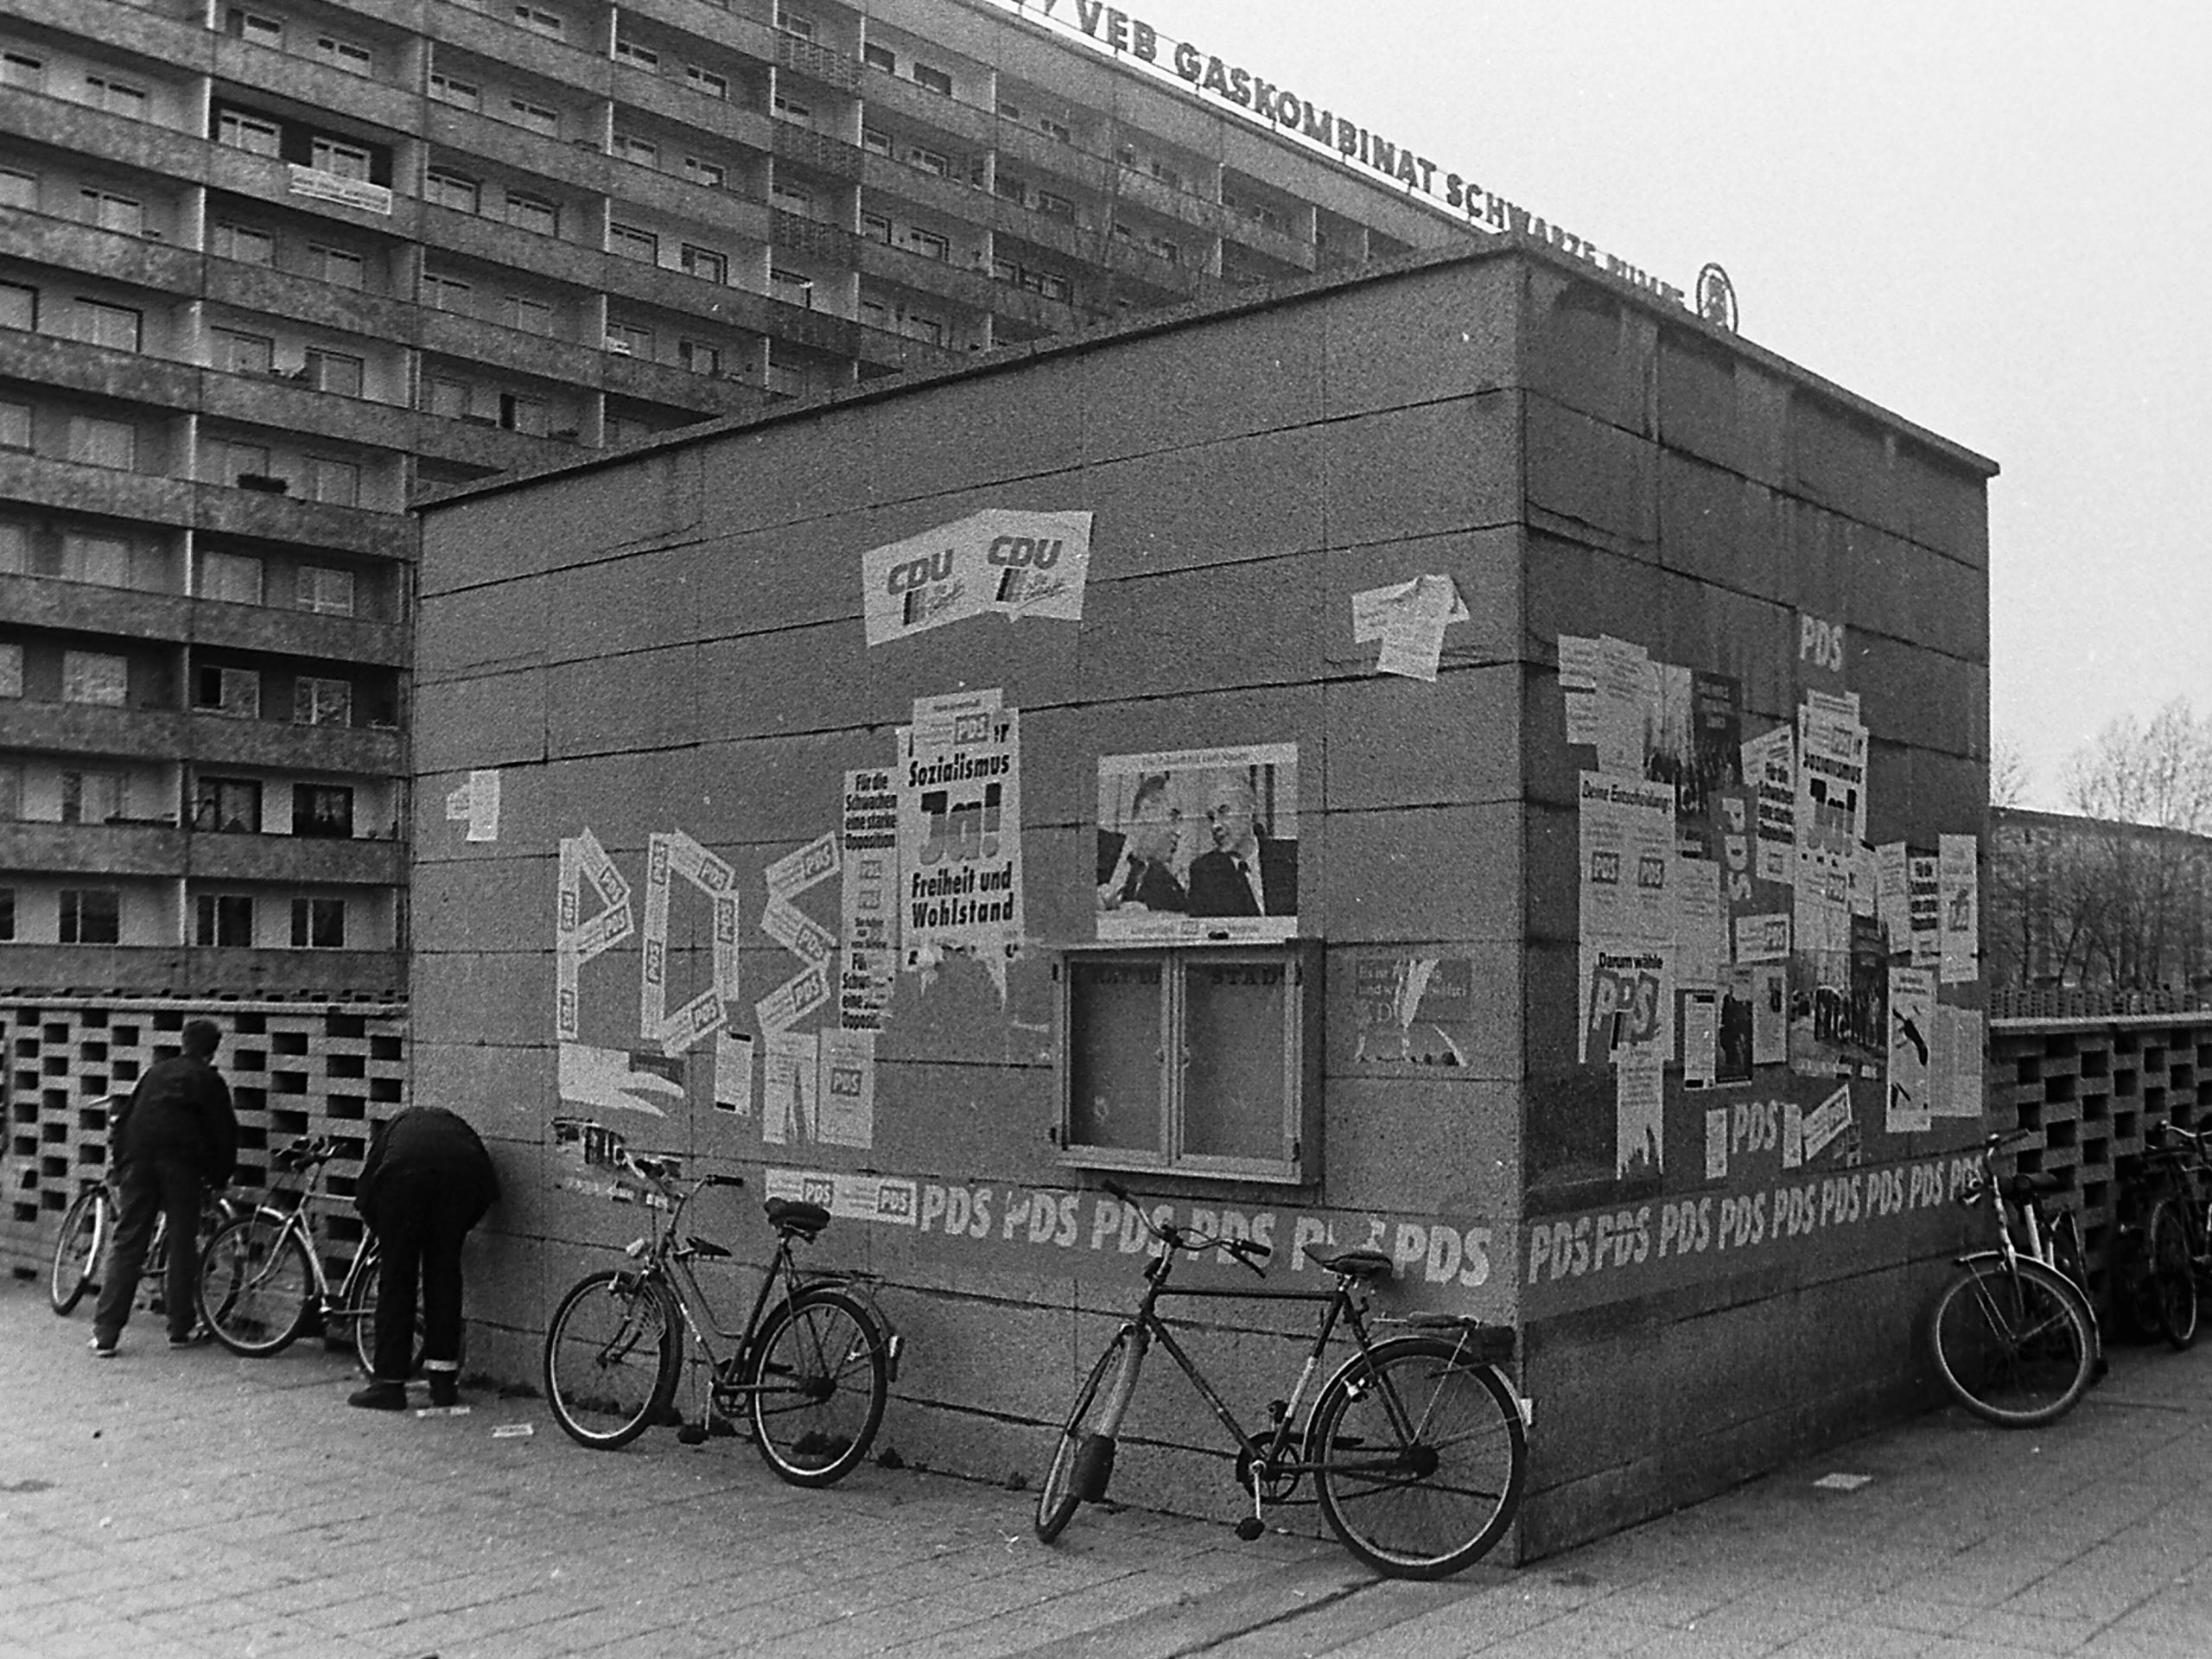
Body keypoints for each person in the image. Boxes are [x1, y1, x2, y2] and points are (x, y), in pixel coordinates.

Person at [92, 1019, 237, 1357]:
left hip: (138, 1158)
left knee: (129, 1239)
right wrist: (219, 1178)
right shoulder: (210, 1081)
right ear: (212, 1050)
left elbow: (129, 1116)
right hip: (181, 1164)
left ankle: (106, 1333)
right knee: (182, 1242)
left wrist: (121, 1162)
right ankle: (179, 1329)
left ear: (183, 1042)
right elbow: (224, 1132)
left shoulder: (154, 1073)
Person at [349, 1105, 500, 1411]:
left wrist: (389, 1239)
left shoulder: (388, 1140)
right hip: (464, 1177)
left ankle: (388, 1386)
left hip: (404, 1180)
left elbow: (365, 1194)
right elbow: (485, 1190)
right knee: (444, 1275)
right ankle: (443, 1383)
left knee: (397, 1280)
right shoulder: (449, 1127)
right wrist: (451, 1235)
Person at [1186, 771, 1298, 918]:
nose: (1215, 825)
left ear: (1248, 810)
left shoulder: (1292, 855)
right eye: (1211, 817)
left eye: (1224, 811)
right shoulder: (1204, 871)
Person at [1096, 772, 1186, 914]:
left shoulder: (1169, 890)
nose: (1179, 833)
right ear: (1146, 810)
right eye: (1173, 817)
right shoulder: (1095, 844)